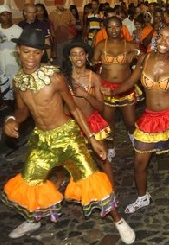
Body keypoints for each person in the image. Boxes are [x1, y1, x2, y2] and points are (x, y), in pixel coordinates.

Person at [1, 28, 135, 244]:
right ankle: (34, 219)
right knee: (31, 181)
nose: (32, 58)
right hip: (42, 141)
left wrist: (92, 140)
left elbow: (74, 109)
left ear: (42, 54)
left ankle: (119, 221)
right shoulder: (18, 82)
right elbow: (23, 111)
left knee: (92, 180)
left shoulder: (54, 78)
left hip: (68, 138)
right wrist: (11, 120)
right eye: (27, 52)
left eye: (36, 53)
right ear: (18, 51)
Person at [102, 24, 169, 213]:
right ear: (156, 38)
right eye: (161, 38)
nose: (164, 43)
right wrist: (112, 91)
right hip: (150, 118)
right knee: (139, 162)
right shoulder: (145, 58)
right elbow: (130, 81)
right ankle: (142, 197)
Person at [61, 39, 115, 188]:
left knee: (102, 159)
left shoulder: (94, 78)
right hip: (71, 124)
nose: (78, 57)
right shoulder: (63, 79)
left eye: (81, 54)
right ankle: (82, 191)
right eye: (74, 54)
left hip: (92, 122)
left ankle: (111, 192)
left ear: (86, 56)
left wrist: (85, 94)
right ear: (69, 58)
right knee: (73, 162)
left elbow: (101, 107)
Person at [91, 16, 139, 161]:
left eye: (117, 26)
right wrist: (93, 62)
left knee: (130, 122)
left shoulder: (128, 44)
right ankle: (111, 148)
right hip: (106, 88)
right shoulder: (101, 45)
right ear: (106, 29)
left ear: (121, 28)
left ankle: (135, 141)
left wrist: (134, 53)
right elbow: (93, 61)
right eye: (110, 27)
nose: (114, 30)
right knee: (108, 122)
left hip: (125, 88)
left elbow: (143, 54)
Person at [0, 4, 22, 105]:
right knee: (4, 94)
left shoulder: (18, 30)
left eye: (8, 14)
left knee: (17, 93)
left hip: (15, 67)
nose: (6, 17)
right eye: (3, 15)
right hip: (1, 68)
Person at [49, 0, 77, 68]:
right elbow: (50, 25)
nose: (61, 6)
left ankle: (71, 67)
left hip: (68, 36)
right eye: (59, 4)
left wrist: (68, 24)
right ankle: (60, 69)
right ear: (56, 5)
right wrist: (53, 35)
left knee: (69, 52)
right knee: (60, 54)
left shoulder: (68, 12)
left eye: (62, 4)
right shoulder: (52, 14)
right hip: (59, 38)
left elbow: (74, 21)